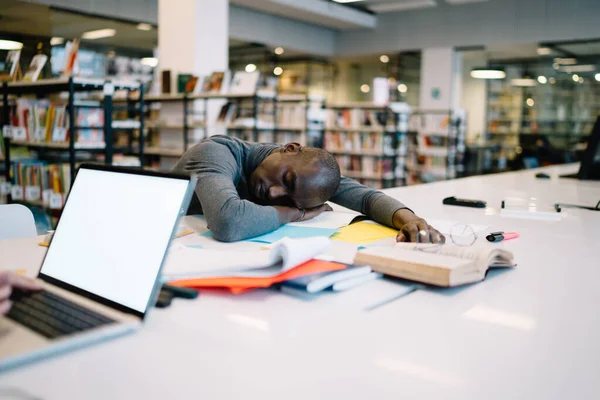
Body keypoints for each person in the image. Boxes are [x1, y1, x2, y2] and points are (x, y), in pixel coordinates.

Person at [172, 135, 445, 243]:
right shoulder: (215, 153)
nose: (275, 194)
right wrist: (295, 213)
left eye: (291, 199)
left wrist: (410, 220)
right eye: (286, 181)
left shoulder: (305, 174)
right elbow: (228, 221)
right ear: (289, 149)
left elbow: (366, 199)